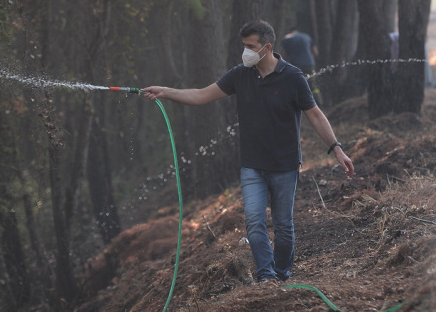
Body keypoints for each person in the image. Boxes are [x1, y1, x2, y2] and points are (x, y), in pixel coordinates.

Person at [142, 20, 354, 283]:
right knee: (254, 222)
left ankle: (282, 273)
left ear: (266, 48)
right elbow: (200, 95)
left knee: (284, 227)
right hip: (252, 165)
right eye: (243, 46)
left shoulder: (293, 77)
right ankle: (266, 277)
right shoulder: (240, 75)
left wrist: (337, 150)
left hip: (285, 165)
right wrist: (165, 91)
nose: (246, 52)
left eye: (250, 46)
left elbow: (315, 115)